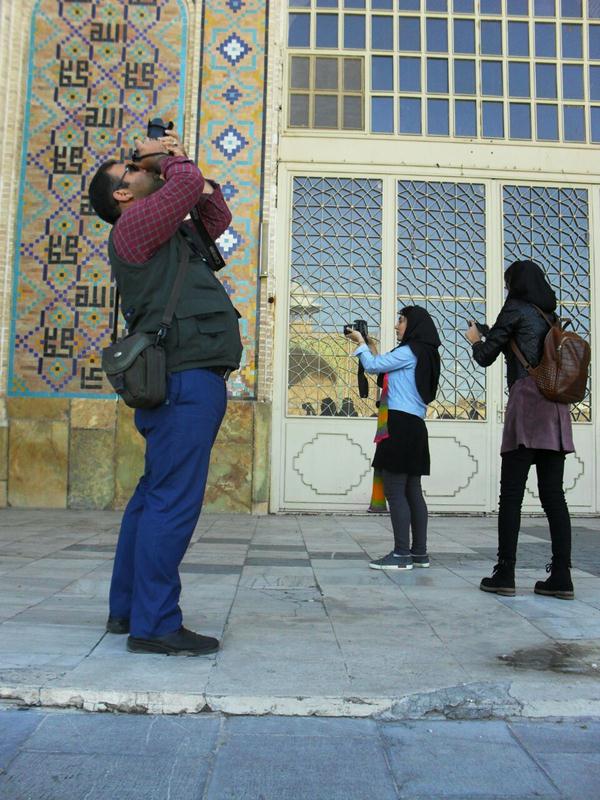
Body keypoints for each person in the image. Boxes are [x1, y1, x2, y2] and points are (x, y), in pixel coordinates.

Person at [88, 131, 243, 655]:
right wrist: (170, 158)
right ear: (122, 195)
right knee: (172, 501)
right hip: (184, 378)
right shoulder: (134, 226)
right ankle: (155, 623)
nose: (142, 169)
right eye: (132, 169)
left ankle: (129, 608)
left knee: (154, 495)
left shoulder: (166, 233)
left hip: (182, 378)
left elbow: (215, 215)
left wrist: (175, 169)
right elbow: (186, 183)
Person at [467, 259, 575, 600]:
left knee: (511, 494)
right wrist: (491, 330)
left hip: (528, 405)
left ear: (516, 285)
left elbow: (486, 356)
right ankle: (562, 576)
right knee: (554, 496)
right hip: (555, 409)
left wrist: (475, 339)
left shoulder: (514, 307)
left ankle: (505, 572)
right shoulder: (549, 316)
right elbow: (517, 339)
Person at [346, 307, 441, 570]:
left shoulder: (409, 351)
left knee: (395, 490)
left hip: (398, 425)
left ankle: (401, 554)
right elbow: (386, 371)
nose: (397, 325)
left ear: (414, 324)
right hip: (415, 426)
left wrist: (360, 343)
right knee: (412, 491)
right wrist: (371, 347)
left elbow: (373, 366)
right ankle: (419, 553)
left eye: (401, 320)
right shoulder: (426, 353)